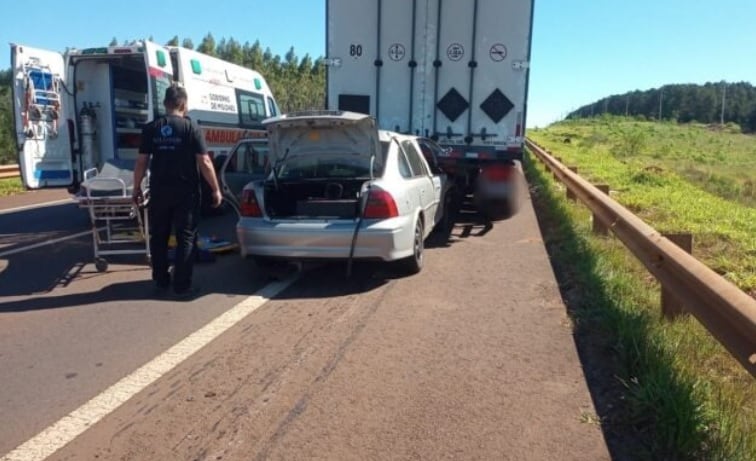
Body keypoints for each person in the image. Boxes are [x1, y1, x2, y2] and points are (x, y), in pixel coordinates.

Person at [132, 84, 222, 298]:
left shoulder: (151, 128)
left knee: (159, 236)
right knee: (186, 237)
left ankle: (161, 281)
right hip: (186, 193)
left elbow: (141, 162)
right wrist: (216, 189)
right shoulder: (192, 129)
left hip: (159, 191)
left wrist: (136, 187)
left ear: (165, 104)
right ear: (184, 104)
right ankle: (182, 285)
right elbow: (205, 162)